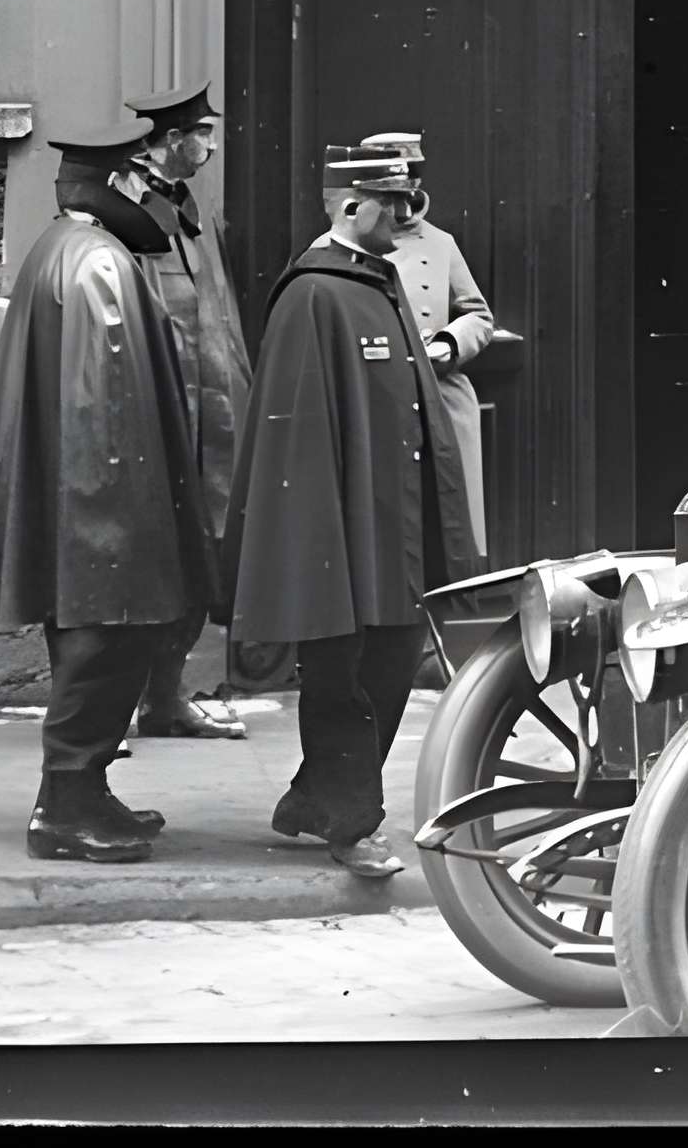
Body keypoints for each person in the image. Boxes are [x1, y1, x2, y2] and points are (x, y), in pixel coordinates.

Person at [0, 123, 224, 866]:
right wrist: (122, 523)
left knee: (91, 645)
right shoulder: (99, 262)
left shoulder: (62, 246)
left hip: (81, 496)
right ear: (117, 187)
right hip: (105, 502)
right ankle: (68, 806)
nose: (151, 195)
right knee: (106, 643)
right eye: (137, 181)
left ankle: (86, 790)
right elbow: (105, 401)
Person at [225, 148, 484, 881]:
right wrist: (319, 546)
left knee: (390, 666)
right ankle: (352, 824)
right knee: (349, 675)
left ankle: (314, 799)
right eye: (390, 204)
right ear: (349, 208)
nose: (405, 217)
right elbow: (298, 437)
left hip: (390, 524)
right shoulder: (314, 293)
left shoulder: (379, 279)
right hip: (342, 532)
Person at [115, 83, 252, 748]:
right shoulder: (130, 207)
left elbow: (216, 312)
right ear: (173, 141)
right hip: (163, 416)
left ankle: (166, 699)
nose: (213, 145)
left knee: (204, 554)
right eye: (204, 134)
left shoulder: (188, 206)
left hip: (215, 415)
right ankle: (109, 710)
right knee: (147, 560)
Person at [343, 132, 499, 562]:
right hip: (376, 401)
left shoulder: (439, 243)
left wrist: (451, 343)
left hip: (440, 399)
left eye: (411, 177)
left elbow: (479, 315)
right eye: (393, 181)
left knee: (444, 531)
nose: (404, 191)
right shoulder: (335, 247)